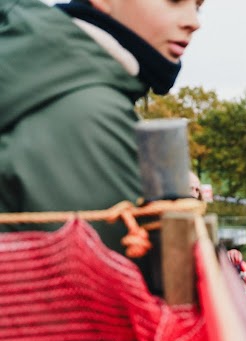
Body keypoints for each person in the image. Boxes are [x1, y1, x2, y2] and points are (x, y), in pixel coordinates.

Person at [0, 0, 203, 254]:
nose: (194, 22)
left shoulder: (41, 74)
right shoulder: (88, 115)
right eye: (174, 1)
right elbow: (115, 282)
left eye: (198, 6)